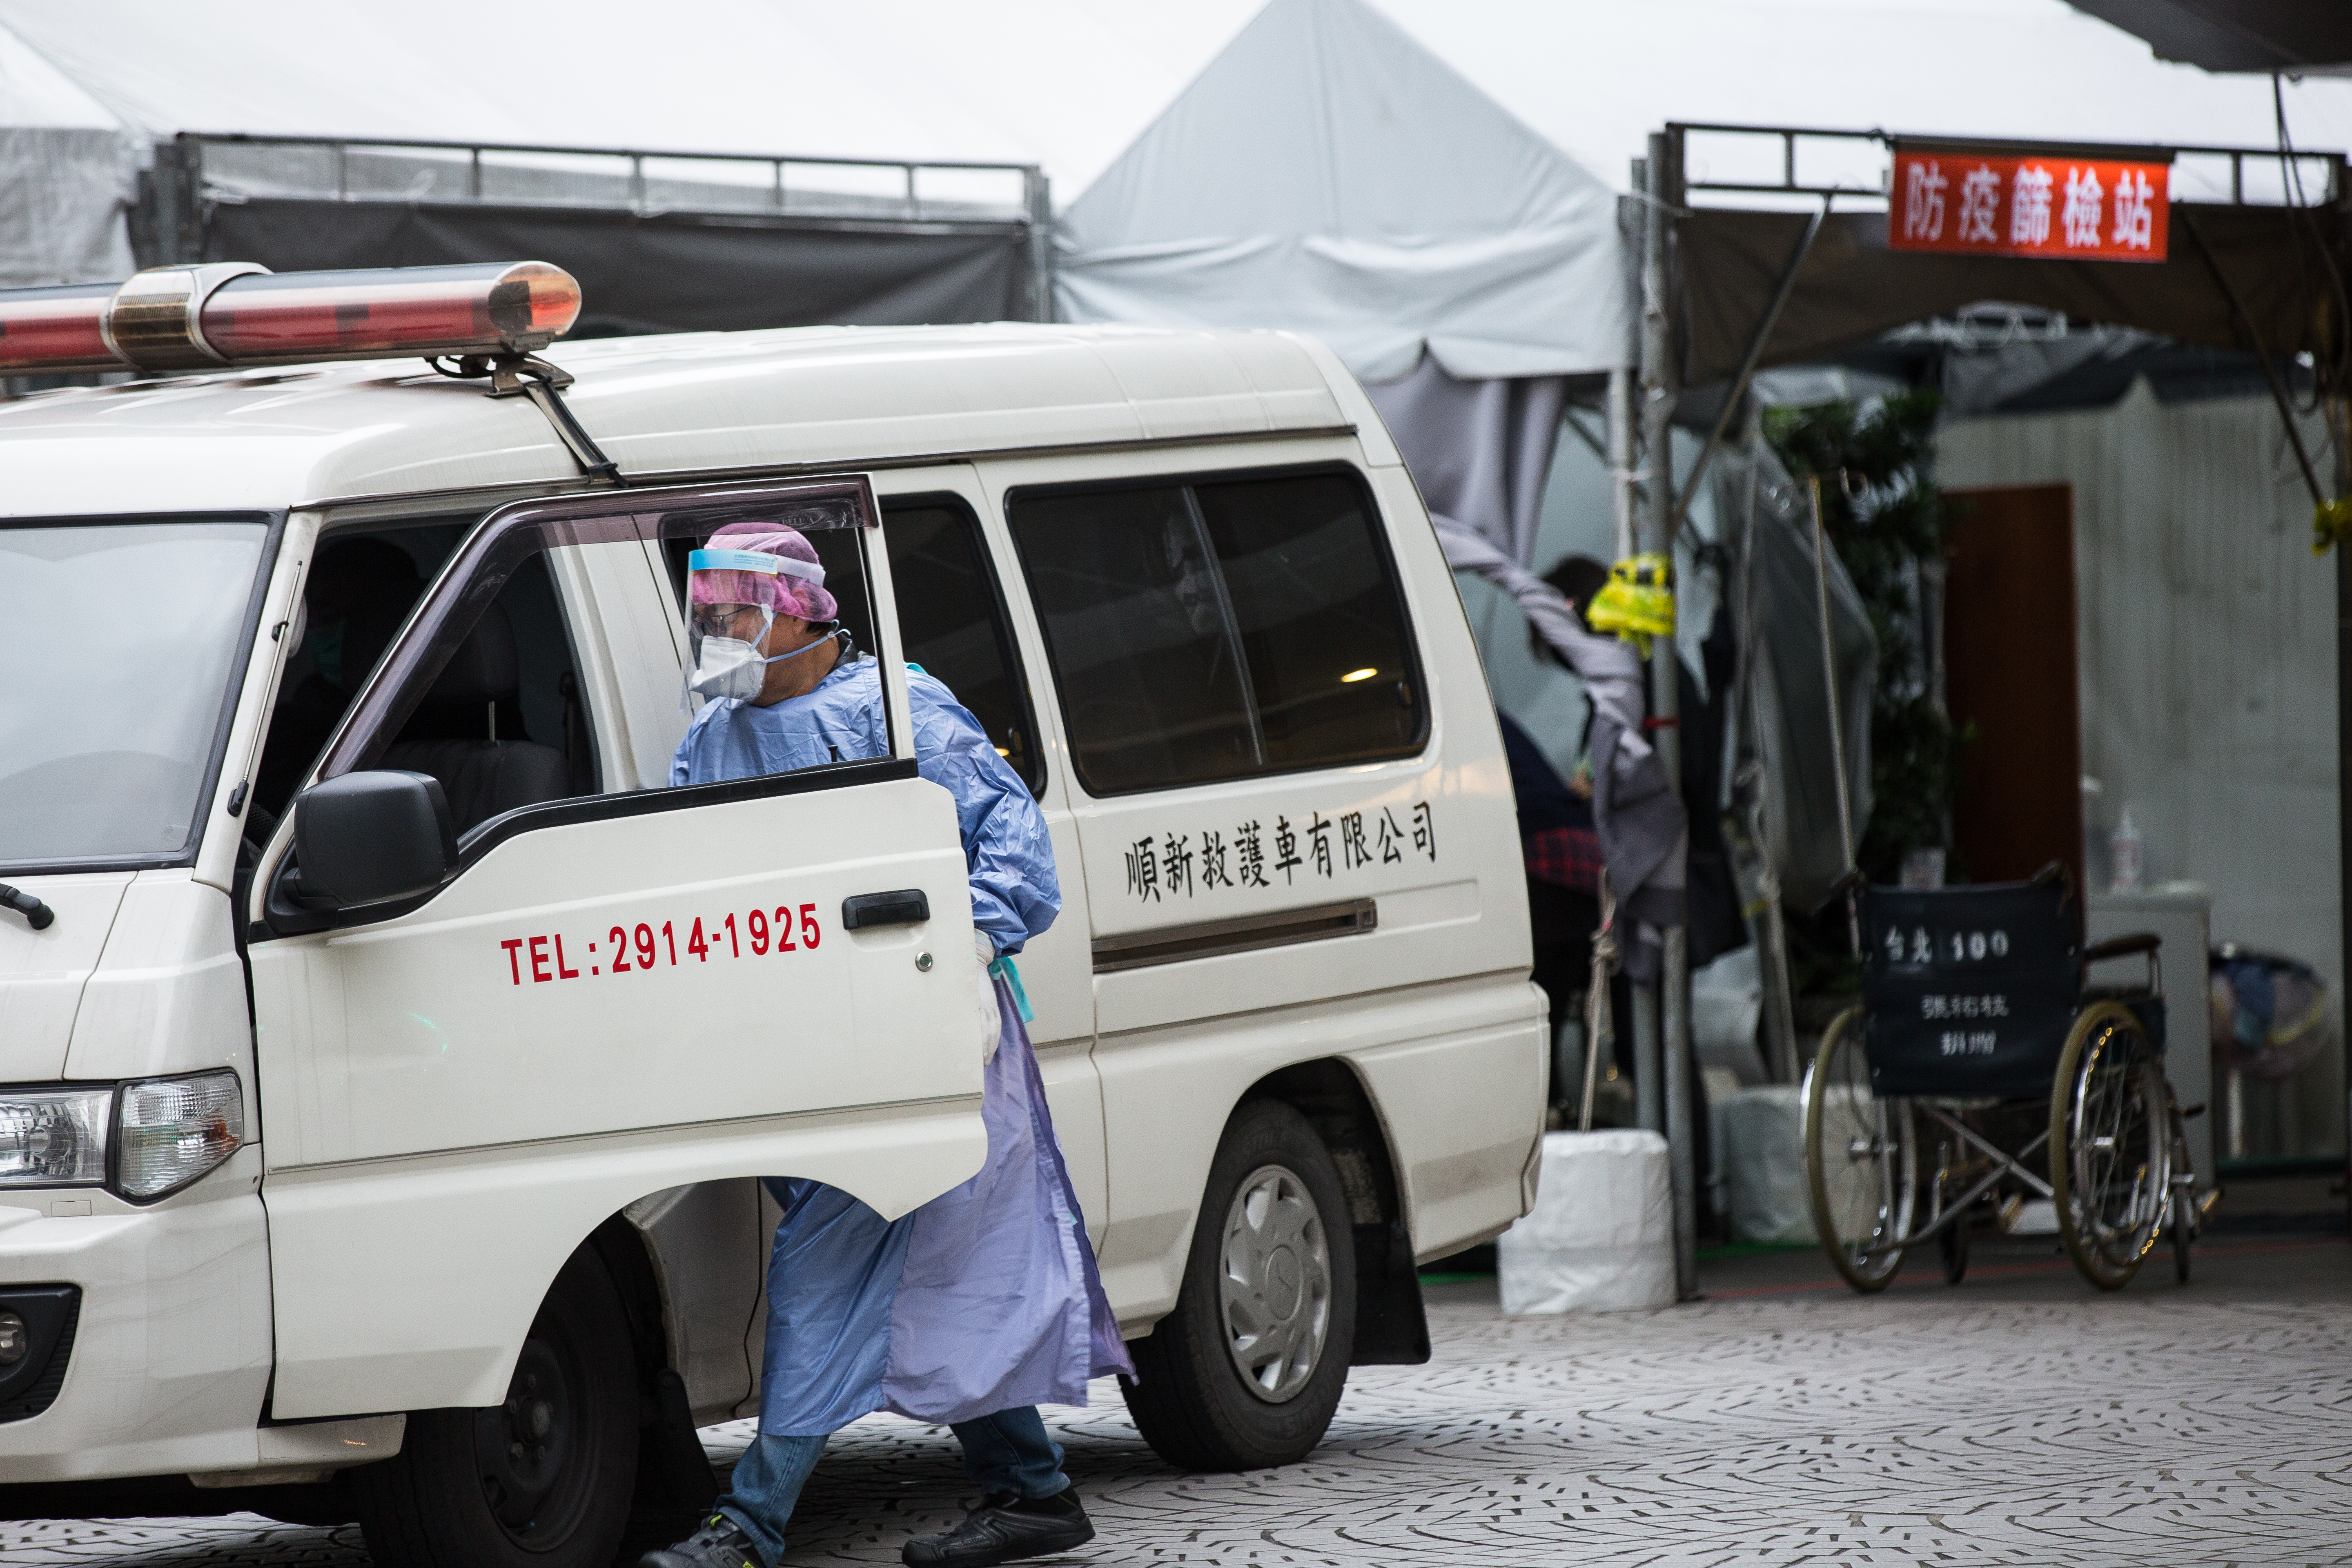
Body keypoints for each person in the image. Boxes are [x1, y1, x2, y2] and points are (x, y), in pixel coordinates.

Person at [641, 522, 1130, 1568]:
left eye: (737, 613)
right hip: (791, 1050)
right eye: (708, 615)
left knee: (823, 1268)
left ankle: (751, 1524)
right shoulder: (711, 737)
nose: (719, 634)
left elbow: (1019, 855)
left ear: (797, 617)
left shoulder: (897, 710)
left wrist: (958, 947)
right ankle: (1034, 1491)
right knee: (923, 1266)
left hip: (917, 1039)